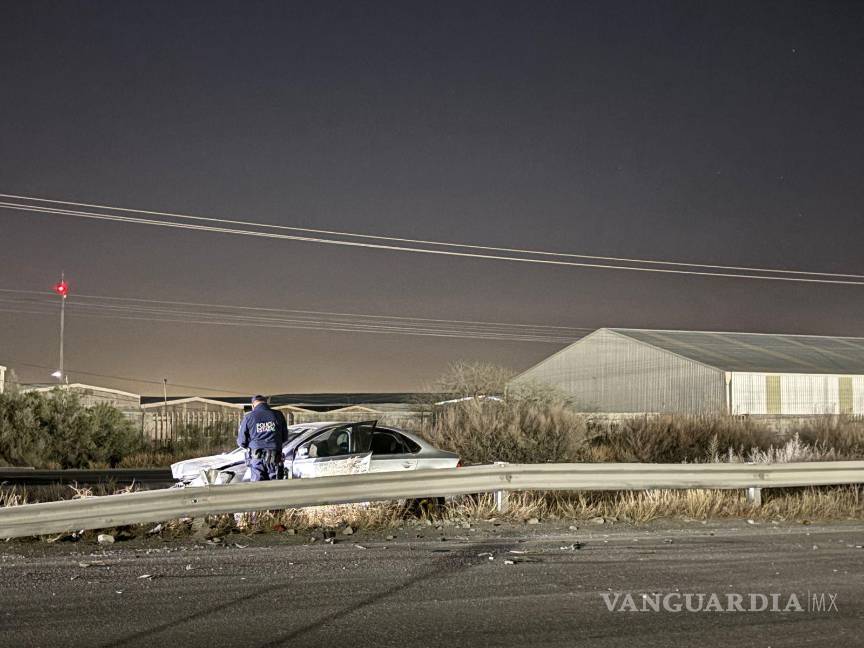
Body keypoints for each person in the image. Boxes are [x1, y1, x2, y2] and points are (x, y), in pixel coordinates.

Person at [237, 395, 288, 481]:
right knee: (275, 489)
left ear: (253, 405)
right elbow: (284, 437)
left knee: (258, 490)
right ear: (266, 403)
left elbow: (242, 442)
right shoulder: (278, 415)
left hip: (257, 460)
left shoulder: (249, 417)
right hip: (275, 459)